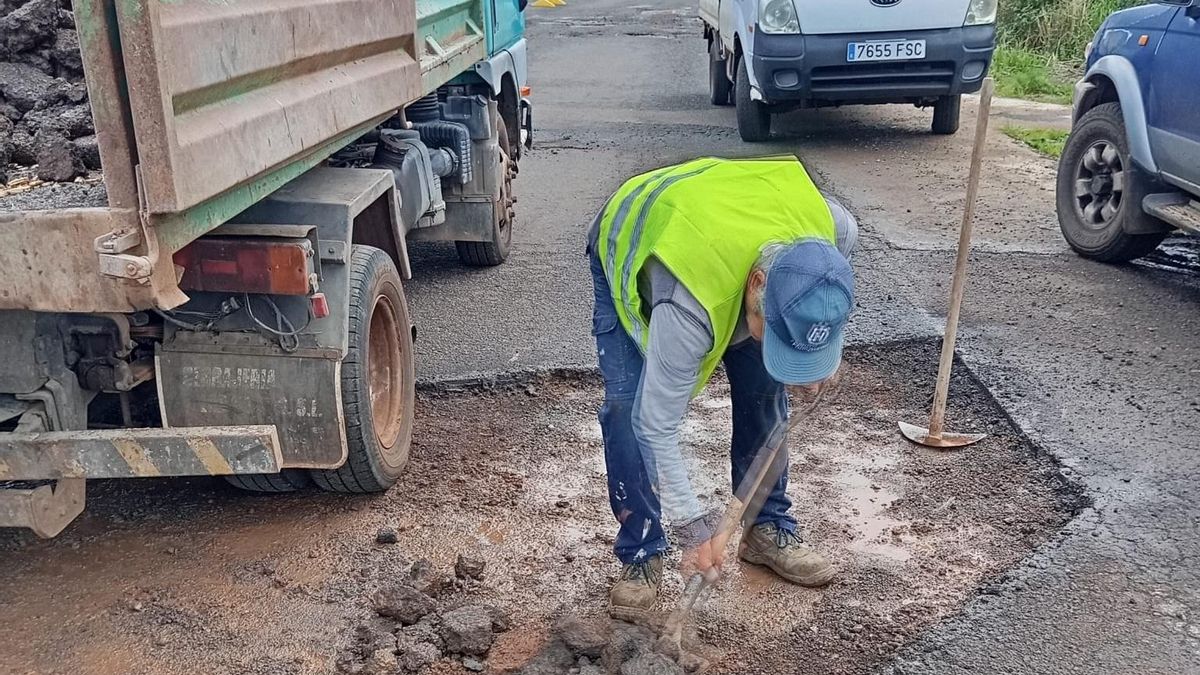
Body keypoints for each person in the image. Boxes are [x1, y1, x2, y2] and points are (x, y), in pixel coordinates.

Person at [586, 156, 857, 613]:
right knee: (628, 409)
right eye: (774, 331)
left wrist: (817, 356)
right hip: (641, 233)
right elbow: (658, 425)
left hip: (733, 227)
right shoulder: (688, 303)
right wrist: (695, 529)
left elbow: (827, 289)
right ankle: (642, 550)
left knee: (765, 388)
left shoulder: (834, 231)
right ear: (757, 285)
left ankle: (765, 528)